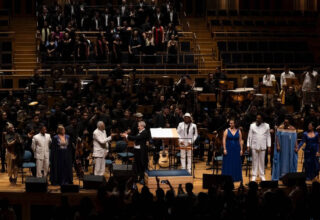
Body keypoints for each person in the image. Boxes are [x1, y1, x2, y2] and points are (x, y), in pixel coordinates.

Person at [247, 114, 271, 181]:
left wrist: (269, 146)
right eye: (257, 118)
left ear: (262, 119)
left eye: (259, 118)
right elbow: (249, 136)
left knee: (262, 161)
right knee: (254, 161)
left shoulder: (267, 125)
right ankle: (254, 175)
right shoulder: (252, 125)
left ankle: (262, 175)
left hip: (263, 145)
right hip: (254, 145)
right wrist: (248, 145)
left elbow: (268, 136)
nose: (257, 119)